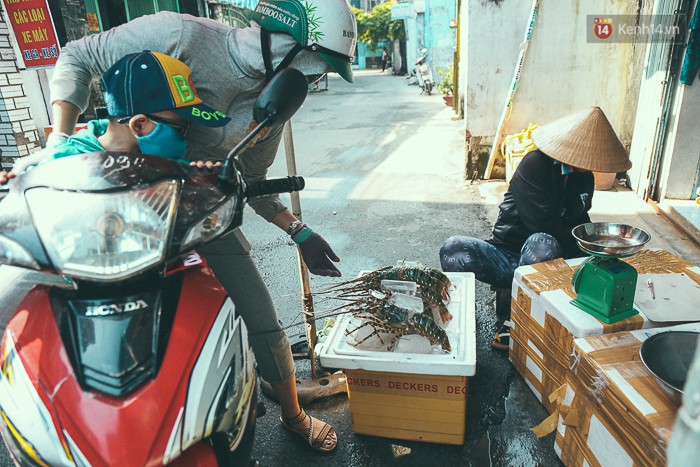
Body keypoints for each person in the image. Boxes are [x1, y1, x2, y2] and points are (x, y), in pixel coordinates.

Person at [2, 0, 357, 453]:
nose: (315, 80)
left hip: (197, 213)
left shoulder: (278, 103)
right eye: (316, 66)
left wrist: (297, 231)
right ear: (287, 44)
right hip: (109, 210)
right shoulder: (181, 36)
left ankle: (292, 414)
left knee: (262, 319)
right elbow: (77, 56)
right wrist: (56, 149)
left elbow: (254, 182)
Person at [439, 107, 632, 350]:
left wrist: (596, 251)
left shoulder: (584, 177)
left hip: (549, 262)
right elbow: (541, 223)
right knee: (453, 249)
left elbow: (581, 218)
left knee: (545, 246)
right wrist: (579, 248)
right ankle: (517, 310)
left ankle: (518, 319)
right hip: (509, 255)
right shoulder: (536, 164)